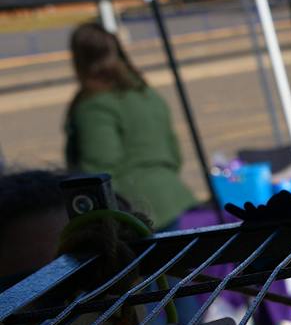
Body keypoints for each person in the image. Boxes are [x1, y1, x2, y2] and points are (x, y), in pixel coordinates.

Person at [63, 24, 194, 231]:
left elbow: (98, 167)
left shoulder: (94, 105)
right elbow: (173, 152)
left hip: (133, 210)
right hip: (169, 199)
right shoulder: (145, 92)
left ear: (78, 59)